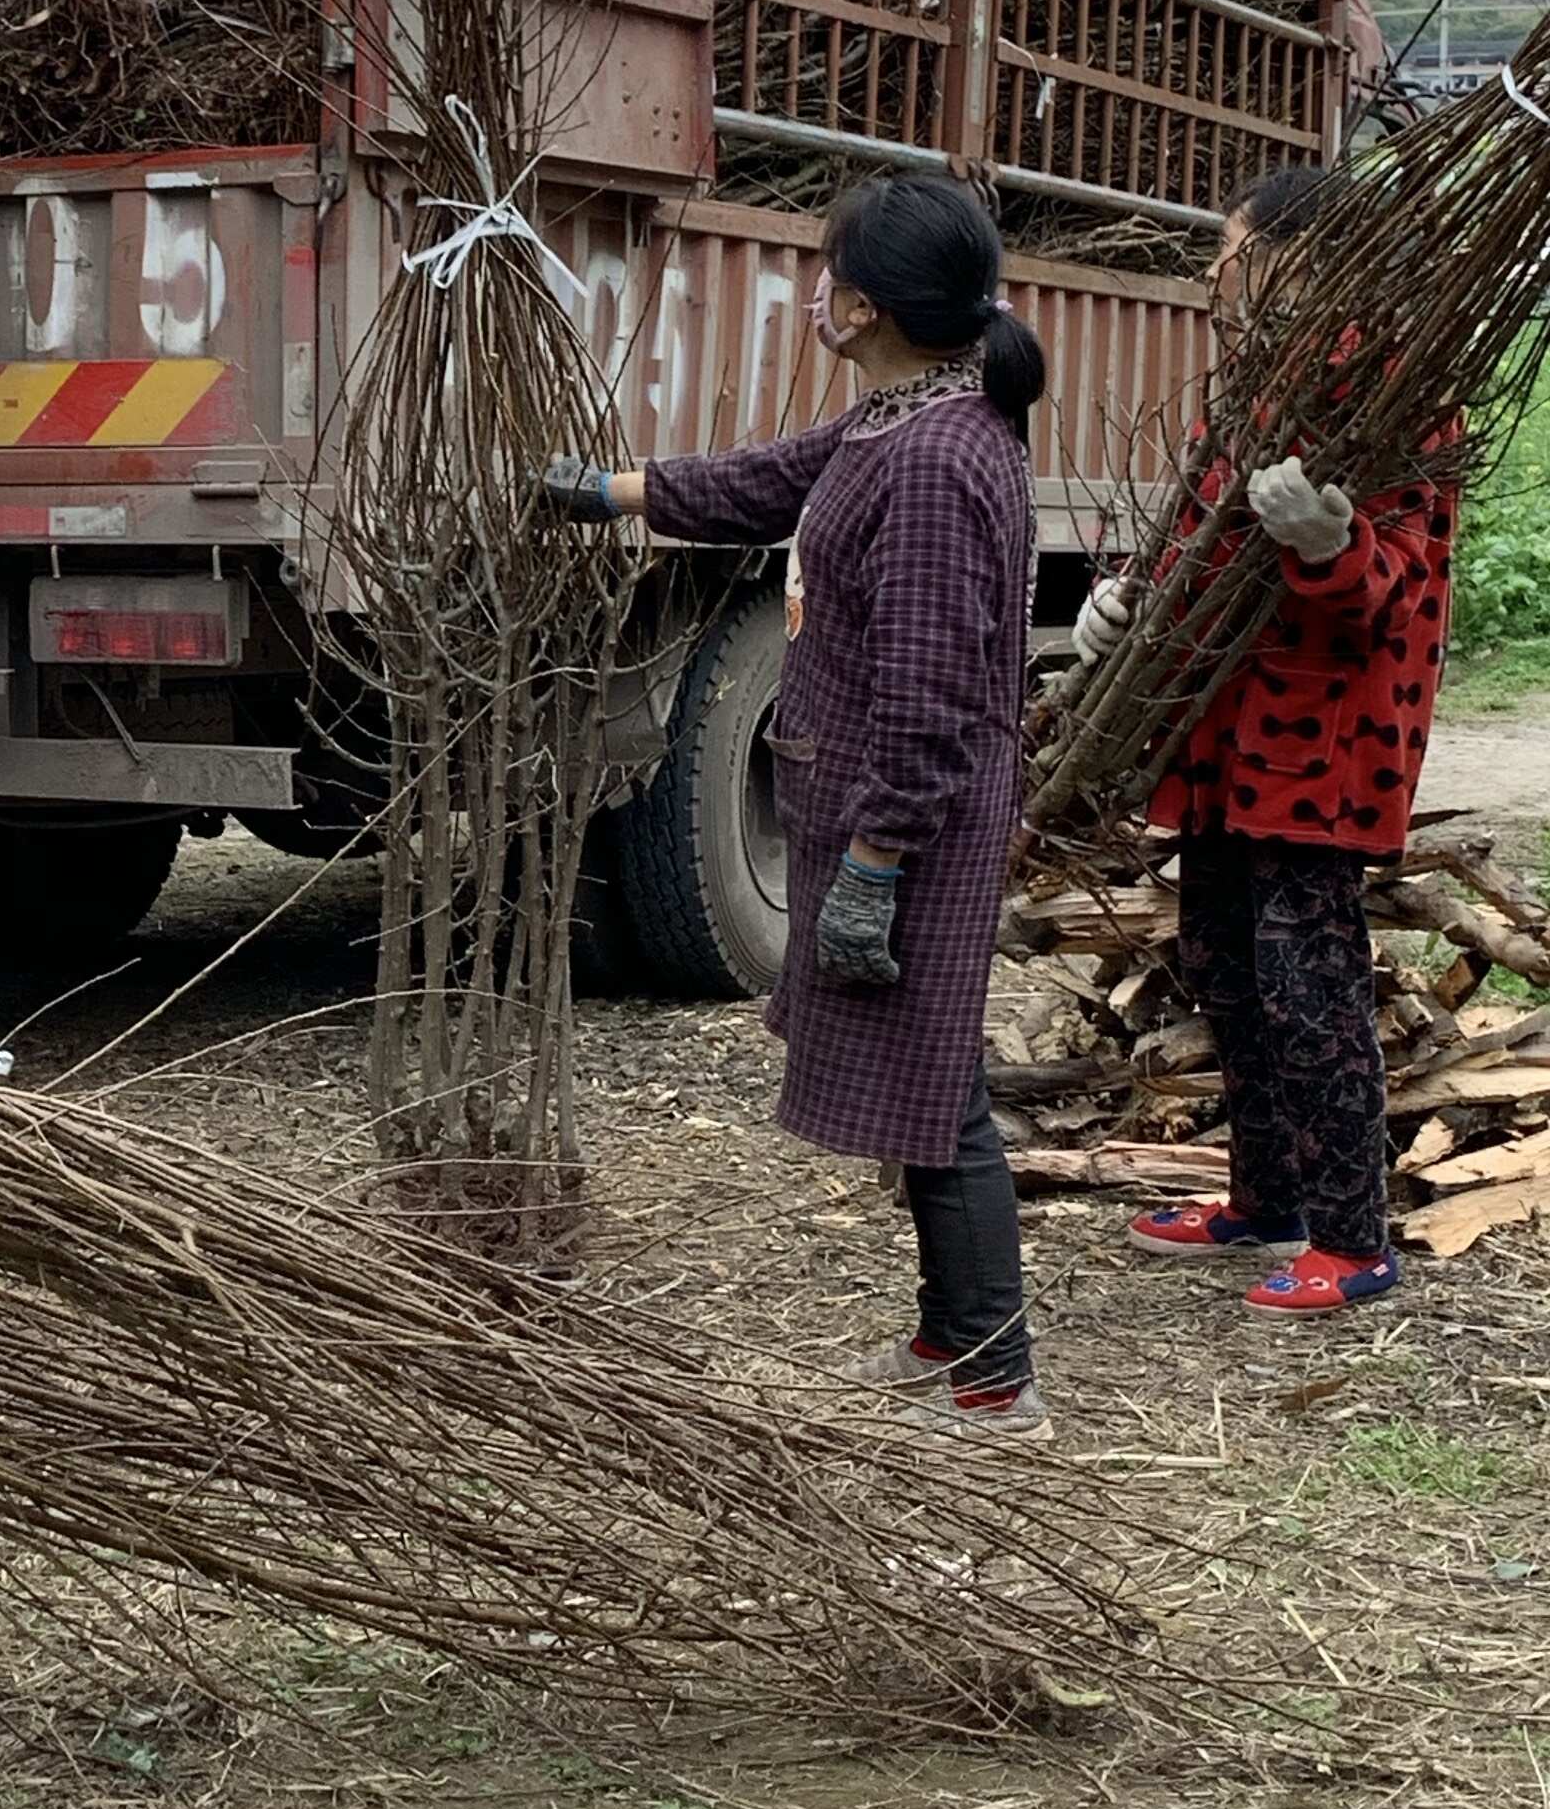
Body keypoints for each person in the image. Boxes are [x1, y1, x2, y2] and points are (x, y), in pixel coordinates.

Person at [545, 175, 1049, 1438]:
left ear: (863, 304)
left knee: (939, 1097)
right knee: (918, 1086)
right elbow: (766, 482)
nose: (814, 288)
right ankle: (950, 1337)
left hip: (914, 825)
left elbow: (932, 696)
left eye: (828, 272)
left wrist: (878, 860)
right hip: (893, 816)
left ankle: (996, 1385)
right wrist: (611, 493)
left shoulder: (935, 458)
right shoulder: (906, 416)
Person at [1074, 163, 1454, 1312]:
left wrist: (1330, 541)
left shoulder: (1397, 390)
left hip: (1321, 735)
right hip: (1226, 733)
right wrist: (1127, 601)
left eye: (1228, 245)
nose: (1211, 268)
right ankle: (1265, 1201)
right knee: (1224, 964)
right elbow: (1196, 550)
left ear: (1292, 253)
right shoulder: (1249, 386)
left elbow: (1390, 595)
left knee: (1307, 978)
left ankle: (1354, 1239)